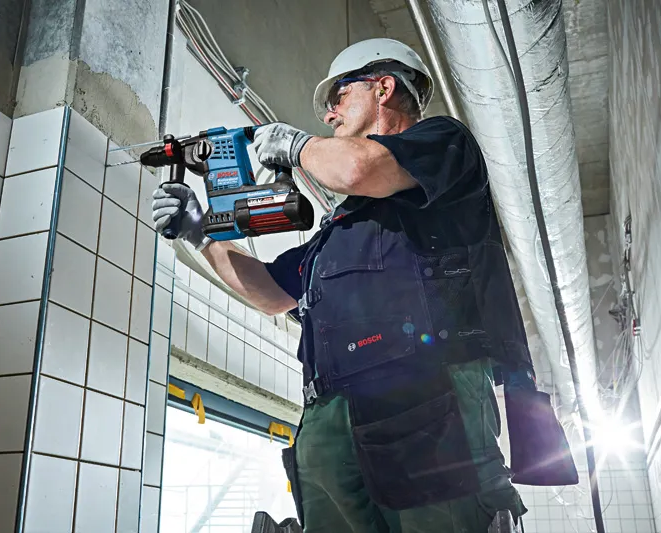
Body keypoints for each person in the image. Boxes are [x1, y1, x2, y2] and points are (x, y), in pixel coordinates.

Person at [152, 38, 536, 533]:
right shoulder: (339, 230)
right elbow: (271, 293)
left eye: (339, 96)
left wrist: (297, 146)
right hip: (330, 416)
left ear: (383, 86)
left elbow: (357, 167)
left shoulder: (444, 142)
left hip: (427, 401)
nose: (330, 114)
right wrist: (198, 233)